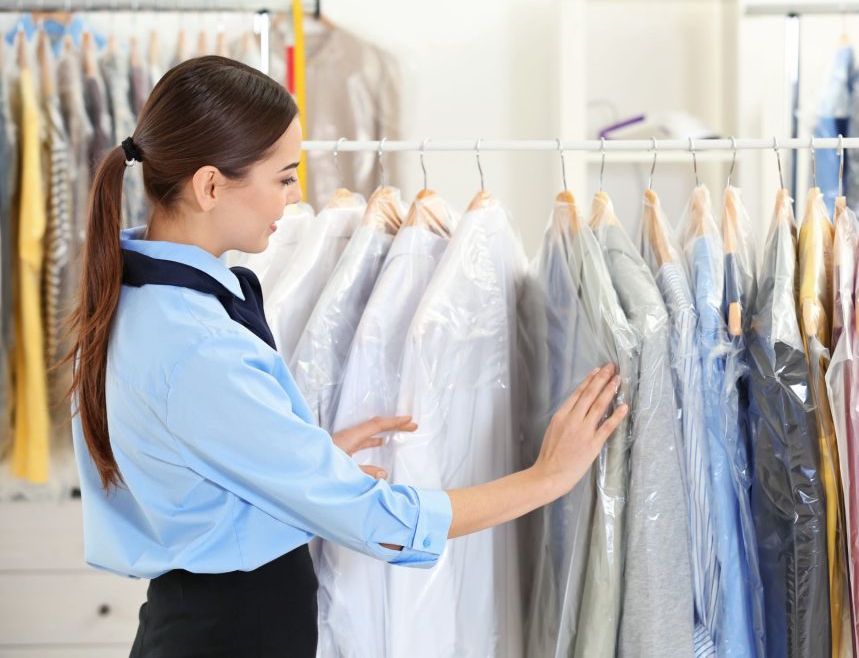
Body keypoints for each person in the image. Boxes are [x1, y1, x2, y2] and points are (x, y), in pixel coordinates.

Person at [63, 55, 627, 656]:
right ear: (209, 186)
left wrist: (307, 456)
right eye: (283, 177)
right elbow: (381, 524)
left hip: (198, 623)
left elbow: (184, 466)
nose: (295, 194)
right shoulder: (199, 345)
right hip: (232, 637)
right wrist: (548, 477)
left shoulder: (133, 296)